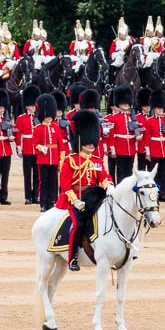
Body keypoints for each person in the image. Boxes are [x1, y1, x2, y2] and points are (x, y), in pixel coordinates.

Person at [58, 110, 109, 271]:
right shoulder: (70, 160)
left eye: (93, 142)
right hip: (75, 199)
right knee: (78, 224)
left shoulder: (97, 160)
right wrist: (75, 200)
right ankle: (72, 258)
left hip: (94, 198)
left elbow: (104, 177)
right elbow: (65, 185)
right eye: (88, 142)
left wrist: (109, 186)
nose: (91, 145)